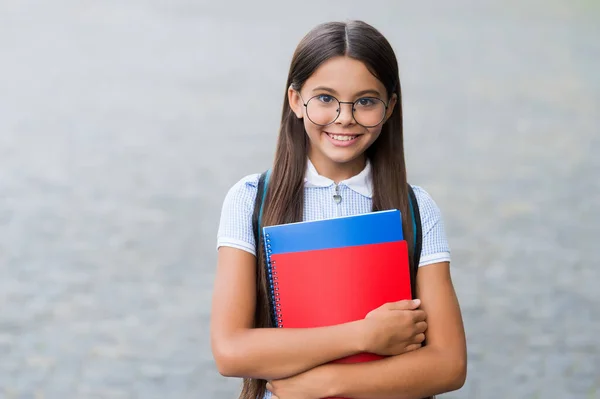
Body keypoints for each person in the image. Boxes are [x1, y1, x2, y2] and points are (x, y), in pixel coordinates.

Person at [210, 20, 467, 399]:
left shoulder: (416, 209)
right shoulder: (250, 199)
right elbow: (231, 352)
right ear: (296, 100)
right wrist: (365, 334)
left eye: (365, 101)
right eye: (326, 98)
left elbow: (449, 364)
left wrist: (329, 384)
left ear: (390, 106)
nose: (345, 117)